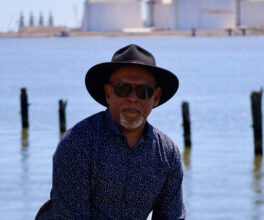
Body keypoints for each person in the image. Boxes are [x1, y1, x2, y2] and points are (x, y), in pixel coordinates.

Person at [36, 44, 185, 219]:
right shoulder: (77, 143)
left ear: (156, 97)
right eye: (122, 88)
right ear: (108, 93)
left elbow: (172, 216)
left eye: (143, 91)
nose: (132, 97)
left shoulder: (168, 154)